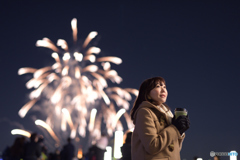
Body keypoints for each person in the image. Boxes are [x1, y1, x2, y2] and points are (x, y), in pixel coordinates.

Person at [130, 77, 190, 160]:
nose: (163, 90)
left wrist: (180, 132)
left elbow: (173, 150)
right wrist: (175, 128)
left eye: (164, 87)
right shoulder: (144, 112)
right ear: (147, 94)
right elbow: (152, 146)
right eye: (158, 86)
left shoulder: (168, 113)